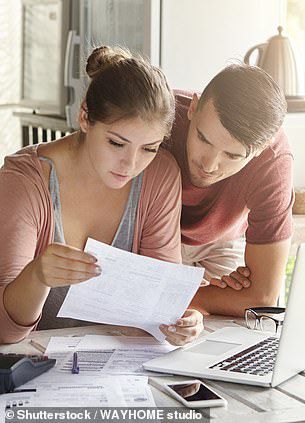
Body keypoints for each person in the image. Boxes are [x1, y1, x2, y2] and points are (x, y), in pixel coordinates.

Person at [0, 46, 203, 345]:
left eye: (149, 148)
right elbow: (5, 331)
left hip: (117, 373)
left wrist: (182, 320)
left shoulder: (159, 175)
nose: (131, 164)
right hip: (32, 370)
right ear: (85, 117)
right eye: (116, 143)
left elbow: (158, 306)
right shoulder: (24, 182)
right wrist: (37, 276)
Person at [163, 64, 293, 320]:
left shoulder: (273, 161)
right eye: (203, 139)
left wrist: (174, 296)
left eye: (232, 155)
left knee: (232, 330)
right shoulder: (160, 115)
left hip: (220, 243)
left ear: (260, 149)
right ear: (193, 107)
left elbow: (262, 298)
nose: (209, 165)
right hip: (151, 236)